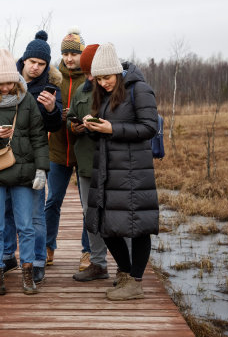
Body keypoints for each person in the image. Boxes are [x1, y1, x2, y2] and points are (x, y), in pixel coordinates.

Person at [0, 31, 62, 284]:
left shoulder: (27, 99)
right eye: (2, 83)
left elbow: (40, 137)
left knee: (29, 224)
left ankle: (31, 269)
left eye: (10, 82)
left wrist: (42, 169)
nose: (7, 87)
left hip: (24, 172)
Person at [83, 42, 159, 300]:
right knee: (106, 225)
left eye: (107, 77)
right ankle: (125, 273)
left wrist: (112, 130)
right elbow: (107, 132)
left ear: (117, 71)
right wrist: (94, 128)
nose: (103, 83)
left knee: (138, 227)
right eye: (99, 79)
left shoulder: (140, 90)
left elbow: (149, 128)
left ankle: (135, 282)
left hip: (134, 171)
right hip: (108, 171)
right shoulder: (104, 95)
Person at [45, 27, 91, 270]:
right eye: (66, 54)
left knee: (87, 204)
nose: (70, 58)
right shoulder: (53, 78)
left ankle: (87, 251)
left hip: (84, 151)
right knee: (53, 200)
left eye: (74, 54)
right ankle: (48, 246)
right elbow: (43, 108)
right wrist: (54, 113)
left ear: (82, 55)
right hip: (57, 150)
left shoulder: (90, 80)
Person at [67, 44, 110, 281]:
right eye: (86, 73)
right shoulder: (80, 93)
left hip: (112, 161)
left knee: (115, 212)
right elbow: (70, 119)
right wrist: (74, 125)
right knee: (90, 213)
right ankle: (98, 264)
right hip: (85, 163)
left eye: (93, 71)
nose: (90, 77)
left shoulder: (114, 89)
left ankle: (128, 268)